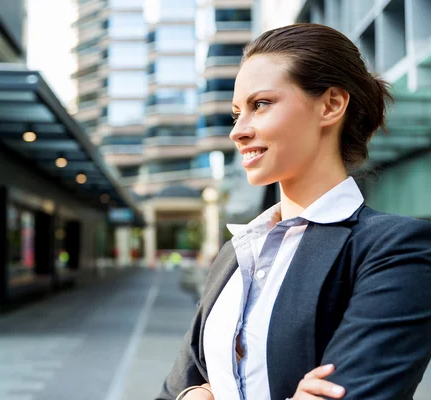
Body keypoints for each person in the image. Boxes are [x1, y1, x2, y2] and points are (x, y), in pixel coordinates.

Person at [156, 23, 431, 400]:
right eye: (237, 113)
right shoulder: (236, 253)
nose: (238, 131)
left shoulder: (395, 250)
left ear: (331, 104)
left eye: (261, 104)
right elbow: (173, 390)